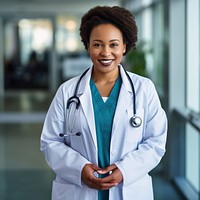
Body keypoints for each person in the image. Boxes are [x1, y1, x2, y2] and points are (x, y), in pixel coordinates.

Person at [40, 5, 167, 200]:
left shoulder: (144, 89)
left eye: (113, 44)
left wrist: (125, 170)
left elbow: (156, 142)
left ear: (124, 46)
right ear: (88, 46)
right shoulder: (67, 91)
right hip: (79, 190)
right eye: (97, 44)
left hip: (129, 188)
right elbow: (50, 142)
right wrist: (80, 169)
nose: (105, 52)